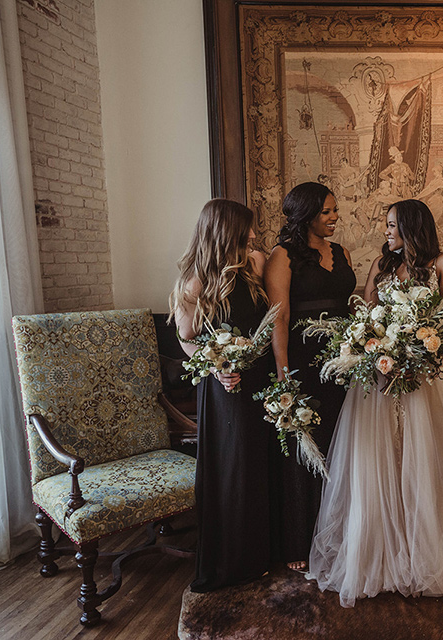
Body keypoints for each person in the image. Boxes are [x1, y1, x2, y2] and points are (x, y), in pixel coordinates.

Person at [309, 199, 443, 607]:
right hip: (380, 379)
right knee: (379, 464)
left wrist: (418, 350)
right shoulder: (380, 267)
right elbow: (364, 312)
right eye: (384, 224)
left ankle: (430, 553)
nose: (386, 231)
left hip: (428, 380)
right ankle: (379, 553)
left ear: (413, 226)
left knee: (425, 460)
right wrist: (376, 345)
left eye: (392, 224)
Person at [170, 199, 271, 592]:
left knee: (260, 465)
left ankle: (263, 553)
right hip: (227, 388)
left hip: (260, 380)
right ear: (224, 230)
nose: (253, 235)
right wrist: (218, 366)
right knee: (235, 471)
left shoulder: (254, 264)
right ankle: (234, 561)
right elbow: (187, 341)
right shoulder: (196, 283)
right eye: (247, 228)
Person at [264, 182, 357, 571]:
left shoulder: (342, 252)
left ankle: (343, 532)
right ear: (306, 215)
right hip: (304, 362)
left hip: (347, 362)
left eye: (335, 210)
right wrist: (284, 375)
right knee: (308, 451)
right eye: (327, 212)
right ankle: (302, 540)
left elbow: (351, 306)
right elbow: (279, 318)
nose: (335, 217)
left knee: (345, 445)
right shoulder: (282, 256)